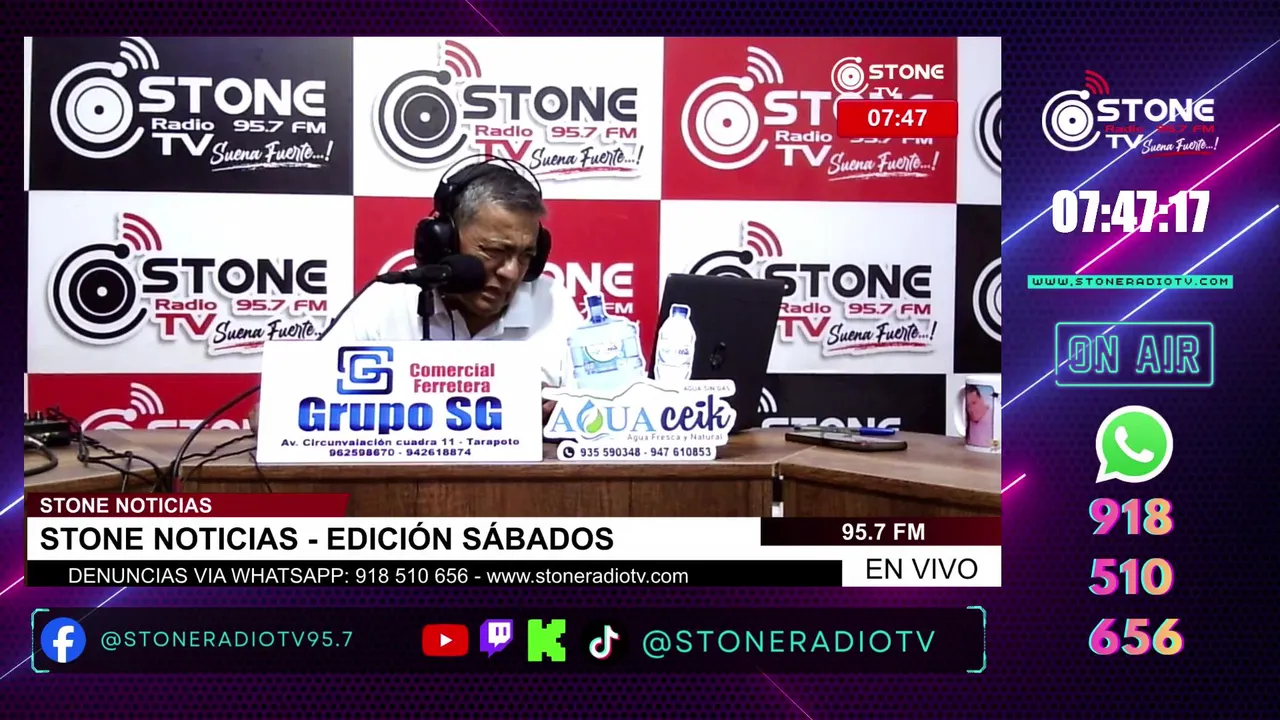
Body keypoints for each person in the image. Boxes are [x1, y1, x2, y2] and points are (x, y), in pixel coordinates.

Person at [252, 162, 582, 429]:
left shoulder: (553, 303)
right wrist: (280, 414)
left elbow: (608, 414)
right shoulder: (386, 301)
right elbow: (288, 406)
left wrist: (568, 413)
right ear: (443, 242)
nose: (511, 272)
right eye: (494, 251)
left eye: (526, 255)